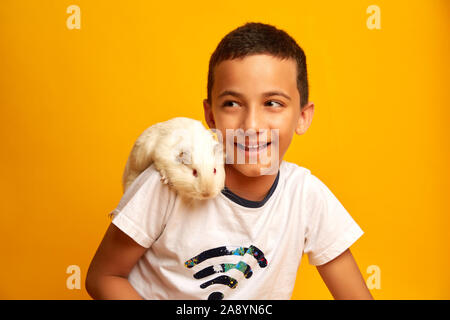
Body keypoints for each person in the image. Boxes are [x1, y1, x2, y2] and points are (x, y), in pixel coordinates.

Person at [86, 22, 373, 300]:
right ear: (210, 116)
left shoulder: (306, 196)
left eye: (273, 103)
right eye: (232, 104)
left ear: (302, 117)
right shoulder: (170, 181)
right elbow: (103, 277)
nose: (251, 125)